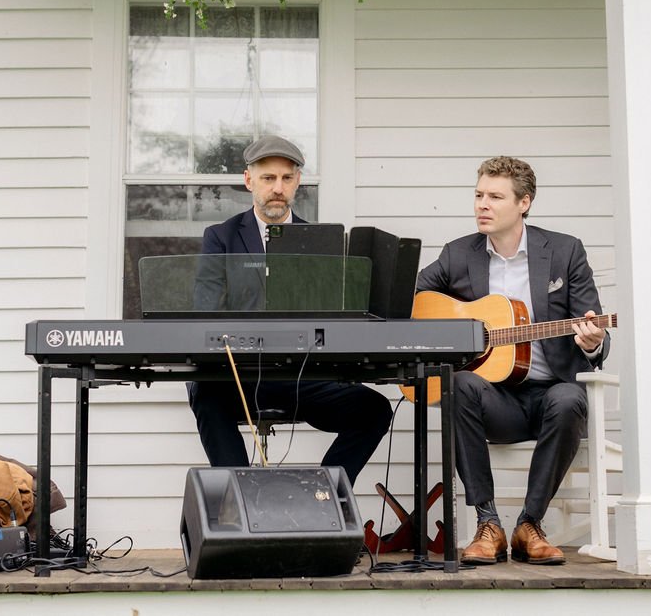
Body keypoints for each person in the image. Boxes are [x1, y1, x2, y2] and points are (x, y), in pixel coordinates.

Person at [416, 156, 609, 565]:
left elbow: (596, 334)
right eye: (479, 195)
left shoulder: (564, 252)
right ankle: (488, 524)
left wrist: (593, 342)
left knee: (569, 399)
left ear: (524, 202)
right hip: (494, 401)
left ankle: (529, 525)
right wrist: (457, 332)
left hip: (550, 397)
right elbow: (413, 302)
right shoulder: (458, 254)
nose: (482, 205)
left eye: (495, 197)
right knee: (458, 383)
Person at [186, 134, 392, 484]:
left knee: (374, 409)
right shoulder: (222, 237)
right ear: (249, 180)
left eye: (286, 178)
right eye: (268, 178)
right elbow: (205, 307)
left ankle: (322, 493)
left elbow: (333, 313)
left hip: (302, 376)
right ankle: (240, 495)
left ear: (298, 181)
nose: (278, 188)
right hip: (240, 376)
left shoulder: (319, 241)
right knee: (205, 392)